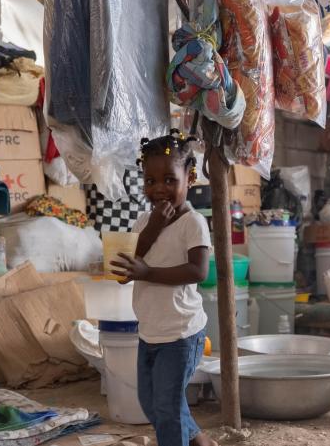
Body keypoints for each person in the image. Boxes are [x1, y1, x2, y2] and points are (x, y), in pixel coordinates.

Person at [110, 130, 217, 446]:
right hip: (150, 331)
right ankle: (199, 439)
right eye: (150, 181)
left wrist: (148, 272)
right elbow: (128, 268)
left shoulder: (192, 223)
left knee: (167, 408)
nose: (159, 189)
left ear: (190, 178)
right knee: (151, 401)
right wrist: (153, 227)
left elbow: (198, 270)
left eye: (169, 180)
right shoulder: (144, 222)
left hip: (181, 333)